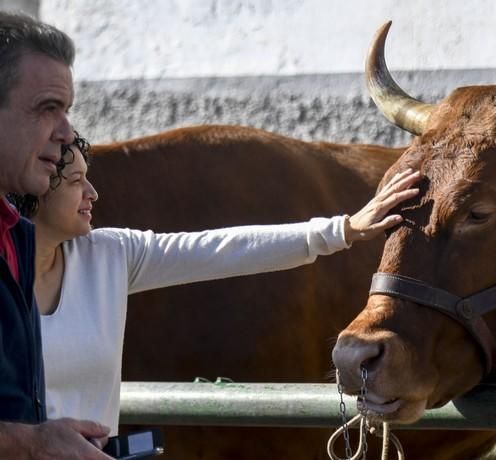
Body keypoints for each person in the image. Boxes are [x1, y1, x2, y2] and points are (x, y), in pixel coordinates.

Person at [8, 131, 420, 437]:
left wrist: (343, 229)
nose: (94, 193)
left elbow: (222, 248)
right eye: (77, 180)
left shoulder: (111, 254)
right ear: (39, 187)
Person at [0, 11, 116, 459]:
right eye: (48, 108)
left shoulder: (16, 237)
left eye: (67, 110)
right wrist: (31, 444)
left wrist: (48, 438)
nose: (67, 132)